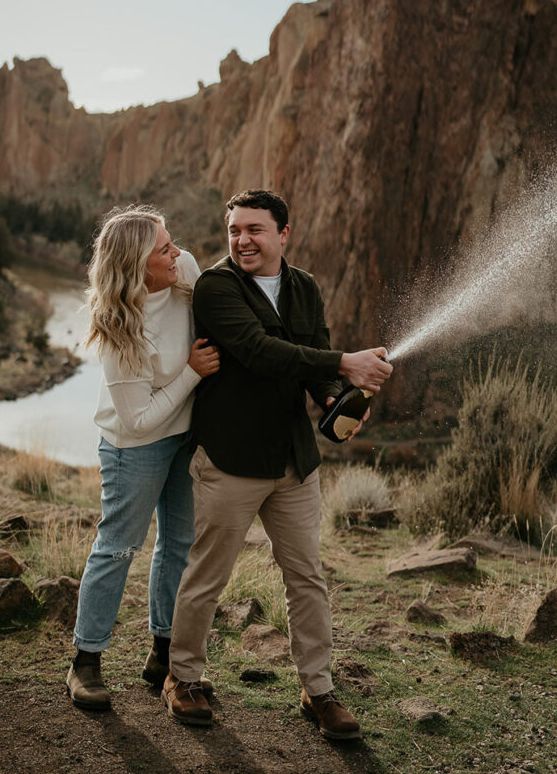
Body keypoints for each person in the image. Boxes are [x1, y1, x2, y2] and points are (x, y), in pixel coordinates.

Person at [163, 189, 393, 740]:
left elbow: (314, 358)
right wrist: (345, 363)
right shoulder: (216, 287)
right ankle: (183, 678)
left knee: (307, 578)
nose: (243, 240)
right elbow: (260, 351)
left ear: (282, 234)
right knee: (206, 575)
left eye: (255, 230)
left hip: (294, 463)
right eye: (235, 230)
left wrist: (342, 397)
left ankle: (318, 692)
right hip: (230, 460)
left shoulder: (305, 286)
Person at [66, 203, 219, 711]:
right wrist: (194, 373)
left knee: (178, 542)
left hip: (185, 437)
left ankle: (164, 655)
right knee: (119, 547)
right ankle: (85, 662)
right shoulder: (117, 327)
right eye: (164, 250)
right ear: (136, 267)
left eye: (171, 241)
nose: (177, 253)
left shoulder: (185, 271)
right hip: (135, 448)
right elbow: (138, 419)